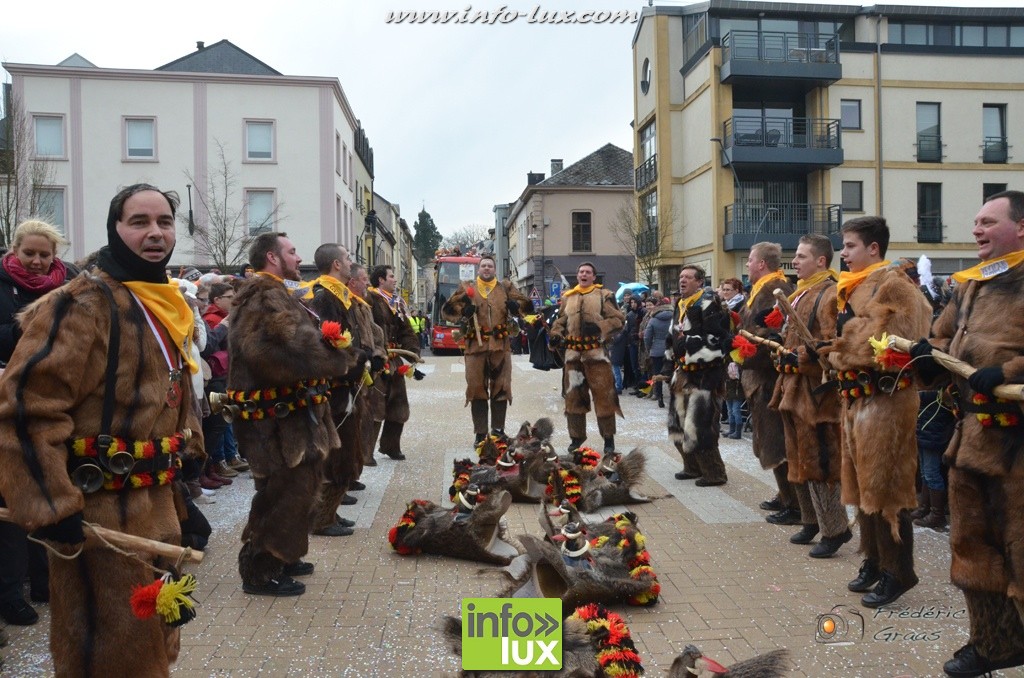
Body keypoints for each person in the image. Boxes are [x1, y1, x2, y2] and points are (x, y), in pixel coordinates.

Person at [0, 184, 205, 674]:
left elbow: (171, 388)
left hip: (159, 506)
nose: (154, 233)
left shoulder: (163, 301)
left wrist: (189, 442)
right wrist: (50, 505)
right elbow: (27, 409)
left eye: (164, 222)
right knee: (110, 657)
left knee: (158, 642)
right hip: (100, 519)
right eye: (139, 222)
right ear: (115, 228)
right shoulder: (78, 305)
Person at [912, 190, 1024, 677]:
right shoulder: (971, 284)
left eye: (988, 222)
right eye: (975, 221)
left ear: (1020, 228)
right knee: (974, 547)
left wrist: (1010, 370)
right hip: (972, 435)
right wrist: (925, 356)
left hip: (1018, 441)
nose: (976, 229)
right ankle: (993, 643)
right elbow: (942, 338)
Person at [231, 232, 363, 596]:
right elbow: (276, 351)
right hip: (274, 420)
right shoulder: (264, 295)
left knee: (301, 486)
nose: (298, 255)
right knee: (283, 491)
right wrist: (337, 357)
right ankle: (261, 568)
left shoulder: (280, 292)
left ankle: (286, 554)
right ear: (272, 257)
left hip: (292, 413)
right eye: (292, 250)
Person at [827, 216, 931, 608]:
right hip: (857, 402)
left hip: (888, 402)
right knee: (859, 485)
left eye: (850, 245)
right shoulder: (851, 288)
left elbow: (891, 348)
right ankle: (873, 559)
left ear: (873, 248)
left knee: (888, 489)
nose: (843, 252)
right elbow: (844, 345)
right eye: (843, 245)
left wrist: (842, 343)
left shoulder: (895, 285)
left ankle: (899, 571)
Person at [0, 220, 76, 626]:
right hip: (7, 401)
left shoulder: (68, 287)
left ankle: (46, 579)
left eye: (45, 254)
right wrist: (23, 330)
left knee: (51, 490)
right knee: (13, 498)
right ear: (15, 249)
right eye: (29, 253)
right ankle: (11, 592)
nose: (36, 261)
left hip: (56, 400)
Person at [769, 234, 851, 558]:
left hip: (817, 392)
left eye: (801, 256)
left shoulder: (830, 293)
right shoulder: (802, 291)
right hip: (793, 388)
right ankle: (811, 518)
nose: (795, 261)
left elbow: (832, 344)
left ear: (820, 260)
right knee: (798, 456)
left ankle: (836, 528)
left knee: (820, 460)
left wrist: (801, 356)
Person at [307, 246, 385, 536]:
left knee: (345, 451)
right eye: (349, 258)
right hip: (337, 386)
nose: (352, 263)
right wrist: (358, 357)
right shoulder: (324, 296)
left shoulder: (340, 295)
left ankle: (331, 512)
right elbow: (331, 340)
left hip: (349, 383)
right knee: (336, 456)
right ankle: (321, 517)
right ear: (337, 264)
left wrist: (366, 353)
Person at [441, 254, 532, 443]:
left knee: (501, 388)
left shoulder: (505, 287)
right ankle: (480, 433)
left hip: (500, 346)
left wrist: (516, 308)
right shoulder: (468, 288)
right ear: (478, 269)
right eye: (483, 266)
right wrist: (463, 311)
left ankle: (497, 430)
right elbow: (448, 310)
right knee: (476, 389)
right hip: (475, 347)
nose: (487, 269)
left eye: (490, 266)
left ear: (494, 269)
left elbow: (527, 306)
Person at [739, 243, 799, 525]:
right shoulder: (760, 289)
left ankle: (795, 503)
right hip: (757, 377)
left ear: (762, 264)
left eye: (750, 260)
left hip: (769, 378)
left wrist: (744, 355)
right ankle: (784, 493)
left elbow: (773, 335)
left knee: (778, 442)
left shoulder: (775, 289)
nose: (747, 265)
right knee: (767, 440)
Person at [548, 262, 625, 454]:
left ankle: (608, 440)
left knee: (605, 399)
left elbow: (619, 320)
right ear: (577, 275)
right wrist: (556, 333)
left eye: (588, 272)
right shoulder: (568, 297)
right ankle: (576, 438)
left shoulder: (603, 295)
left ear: (594, 276)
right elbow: (560, 321)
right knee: (573, 399)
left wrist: (600, 328)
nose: (584, 274)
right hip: (573, 359)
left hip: (596, 357)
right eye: (581, 271)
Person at [666, 265, 730, 486]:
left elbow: (718, 337)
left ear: (699, 282)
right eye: (681, 276)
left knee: (701, 426)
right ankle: (692, 467)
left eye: (688, 277)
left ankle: (714, 473)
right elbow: (673, 334)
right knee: (677, 424)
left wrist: (689, 343)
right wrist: (671, 352)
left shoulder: (709, 302)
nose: (682, 280)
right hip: (683, 372)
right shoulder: (681, 303)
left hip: (706, 375)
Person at [366, 265, 421, 461]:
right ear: (380, 280)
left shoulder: (397, 302)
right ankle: (366, 452)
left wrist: (413, 352)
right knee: (375, 406)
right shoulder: (369, 299)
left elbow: (406, 330)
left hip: (395, 359)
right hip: (377, 359)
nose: (395, 280)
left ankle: (390, 446)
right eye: (391, 276)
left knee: (399, 405)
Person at [643, 297, 672, 408]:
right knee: (671, 374)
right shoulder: (674, 317)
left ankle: (659, 397)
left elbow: (647, 337)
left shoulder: (653, 319)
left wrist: (649, 348)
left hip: (657, 351)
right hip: (670, 350)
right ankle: (672, 395)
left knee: (657, 374)